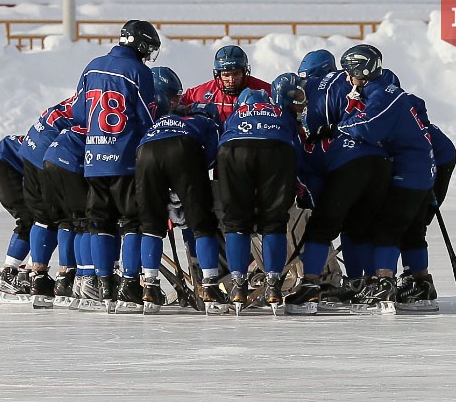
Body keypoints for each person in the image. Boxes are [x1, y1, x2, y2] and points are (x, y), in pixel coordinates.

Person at [318, 44, 436, 314]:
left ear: (361, 72)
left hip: (407, 173)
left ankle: (383, 284)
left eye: (349, 73)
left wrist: (336, 128)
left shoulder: (383, 95)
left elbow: (369, 128)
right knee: (413, 233)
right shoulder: (398, 95)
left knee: (386, 230)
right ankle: (421, 285)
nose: (347, 79)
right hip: (422, 173)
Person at [271, 72, 392, 315]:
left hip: (351, 166)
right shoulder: (340, 121)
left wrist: (310, 201)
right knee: (362, 228)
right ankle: (373, 284)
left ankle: (310, 286)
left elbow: (306, 173)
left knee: (320, 228)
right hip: (382, 164)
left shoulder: (306, 138)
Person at [70, 19, 160, 312]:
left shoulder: (93, 64)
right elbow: (147, 118)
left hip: (94, 160)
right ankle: (130, 284)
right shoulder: (139, 72)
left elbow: (79, 112)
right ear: (142, 45)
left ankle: (105, 284)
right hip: (124, 159)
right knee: (132, 222)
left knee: (101, 224)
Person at [135, 66, 223, 314]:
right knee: (202, 222)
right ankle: (210, 285)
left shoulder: (151, 120)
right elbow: (212, 156)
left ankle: (149, 286)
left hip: (146, 151)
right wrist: (187, 182)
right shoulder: (203, 120)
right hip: (184, 149)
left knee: (151, 225)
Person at [217, 87, 300, 315]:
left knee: (235, 221)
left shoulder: (236, 114)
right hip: (277, 147)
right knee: (273, 220)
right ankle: (273, 284)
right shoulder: (280, 112)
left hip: (233, 148)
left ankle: (237, 285)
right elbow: (297, 146)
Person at [18, 96, 82, 308]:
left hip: (32, 146)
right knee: (68, 217)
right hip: (51, 153)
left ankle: (39, 277)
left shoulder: (82, 93)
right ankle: (66, 276)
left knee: (42, 217)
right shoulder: (103, 95)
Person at [396, 94, 456, 311]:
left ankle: (418, 281)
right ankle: (417, 278)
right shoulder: (400, 104)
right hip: (431, 166)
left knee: (411, 224)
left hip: (436, 166)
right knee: (412, 225)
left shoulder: (397, 110)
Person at [0, 135, 33, 303]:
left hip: (7, 161)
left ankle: (23, 272)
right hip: (2, 162)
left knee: (41, 219)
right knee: (31, 219)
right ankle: (7, 275)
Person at [181, 45, 271, 121]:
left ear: (244, 72)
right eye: (226, 75)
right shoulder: (204, 92)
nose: (231, 80)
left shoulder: (261, 90)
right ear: (219, 75)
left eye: (236, 74)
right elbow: (178, 102)